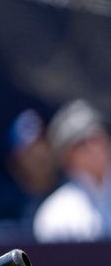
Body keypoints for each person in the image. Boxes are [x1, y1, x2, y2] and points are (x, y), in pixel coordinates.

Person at [33, 99, 111, 242]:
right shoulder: (54, 214)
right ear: (67, 155)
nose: (94, 146)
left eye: (97, 136)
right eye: (82, 142)